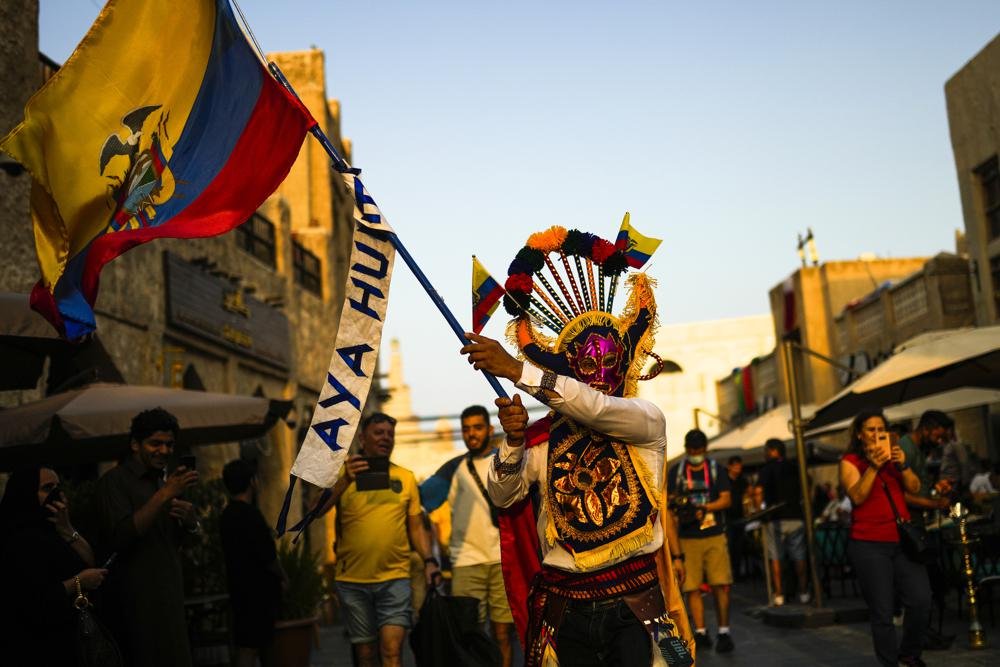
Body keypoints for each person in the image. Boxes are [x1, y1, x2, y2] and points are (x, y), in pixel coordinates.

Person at [463, 224, 692, 667]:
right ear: (568, 370)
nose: (597, 372)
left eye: (608, 360)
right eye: (584, 364)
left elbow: (594, 408)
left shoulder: (644, 421)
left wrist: (518, 371)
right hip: (567, 605)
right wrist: (512, 442)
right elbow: (503, 496)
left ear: (626, 361)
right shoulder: (545, 439)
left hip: (634, 605)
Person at [313, 412, 440, 667]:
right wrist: (345, 480)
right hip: (353, 582)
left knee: (392, 650)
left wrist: (429, 560)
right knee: (366, 655)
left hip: (395, 579)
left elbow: (415, 527)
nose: (386, 438)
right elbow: (315, 510)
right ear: (362, 438)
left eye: (390, 434)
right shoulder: (343, 475)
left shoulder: (405, 478)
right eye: (379, 433)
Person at [96, 407, 199, 667]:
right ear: (135, 444)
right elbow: (121, 536)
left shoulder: (165, 483)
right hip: (135, 606)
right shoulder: (115, 482)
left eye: (169, 444)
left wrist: (191, 522)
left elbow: (184, 543)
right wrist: (164, 496)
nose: (164, 451)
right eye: (155, 443)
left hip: (170, 602)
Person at [420, 405, 515, 666]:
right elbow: (415, 504)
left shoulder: (506, 461)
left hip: (502, 562)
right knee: (468, 635)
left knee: (503, 634)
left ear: (489, 429)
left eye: (477, 427)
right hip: (464, 563)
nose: (471, 434)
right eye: (466, 429)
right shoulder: (453, 469)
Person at [840, 409, 930, 667]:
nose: (877, 435)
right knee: (883, 611)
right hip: (869, 544)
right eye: (871, 430)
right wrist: (873, 467)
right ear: (860, 434)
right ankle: (890, 663)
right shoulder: (850, 462)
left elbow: (913, 487)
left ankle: (909, 654)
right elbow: (857, 497)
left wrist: (902, 464)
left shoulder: (894, 459)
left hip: (902, 541)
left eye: (881, 430)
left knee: (921, 599)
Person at [0, 465, 108, 666]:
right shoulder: (16, 540)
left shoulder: (55, 530)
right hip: (37, 645)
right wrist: (79, 581)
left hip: (71, 639)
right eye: (48, 488)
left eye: (58, 487)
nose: (57, 494)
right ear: (26, 493)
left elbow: (89, 561)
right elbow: (31, 599)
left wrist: (67, 529)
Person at [668, 429, 734, 652]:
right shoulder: (677, 472)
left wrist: (703, 507)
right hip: (687, 537)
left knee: (720, 585)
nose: (695, 453)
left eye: (698, 449)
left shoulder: (716, 470)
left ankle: (724, 631)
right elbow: (668, 502)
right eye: (691, 449)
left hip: (714, 533)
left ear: (705, 449)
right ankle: (701, 631)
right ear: (687, 449)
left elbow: (726, 500)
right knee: (692, 587)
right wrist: (681, 506)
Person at [220, 459, 285, 667]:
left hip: (238, 589)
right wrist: (284, 577)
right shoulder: (251, 515)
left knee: (246, 644)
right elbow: (269, 557)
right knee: (259, 645)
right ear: (252, 482)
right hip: (259, 592)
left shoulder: (226, 515)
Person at [754, 438, 809, 606]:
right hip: (796, 516)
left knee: (775, 557)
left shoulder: (766, 470)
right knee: (799, 556)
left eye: (765, 450)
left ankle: (779, 594)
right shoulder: (794, 466)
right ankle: (804, 592)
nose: (764, 454)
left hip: (774, 518)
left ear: (772, 451)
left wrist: (760, 511)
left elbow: (758, 492)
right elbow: (809, 483)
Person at [897, 410, 953, 522]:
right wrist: (935, 504)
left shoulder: (921, 448)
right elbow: (900, 494)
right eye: (938, 437)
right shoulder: (905, 448)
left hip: (919, 514)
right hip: (909, 517)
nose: (939, 442)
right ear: (926, 429)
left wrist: (936, 485)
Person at [724, 455, 748, 579]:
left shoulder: (742, 481)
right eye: (735, 466)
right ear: (730, 467)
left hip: (740, 517)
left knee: (739, 546)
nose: (738, 469)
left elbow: (747, 496)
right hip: (727, 518)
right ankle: (731, 572)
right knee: (730, 546)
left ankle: (737, 572)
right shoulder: (724, 481)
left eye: (739, 466)